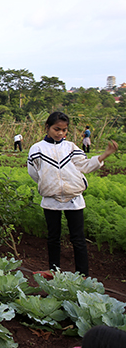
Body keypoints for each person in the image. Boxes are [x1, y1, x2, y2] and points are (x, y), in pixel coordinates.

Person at [27, 111, 118, 277]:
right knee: (53, 237)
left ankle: (82, 274)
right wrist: (48, 185)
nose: (60, 133)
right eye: (56, 129)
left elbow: (85, 165)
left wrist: (105, 154)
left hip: (74, 199)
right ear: (47, 127)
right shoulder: (37, 149)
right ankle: (53, 270)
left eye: (64, 130)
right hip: (50, 200)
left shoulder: (70, 147)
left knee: (78, 238)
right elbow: (34, 173)